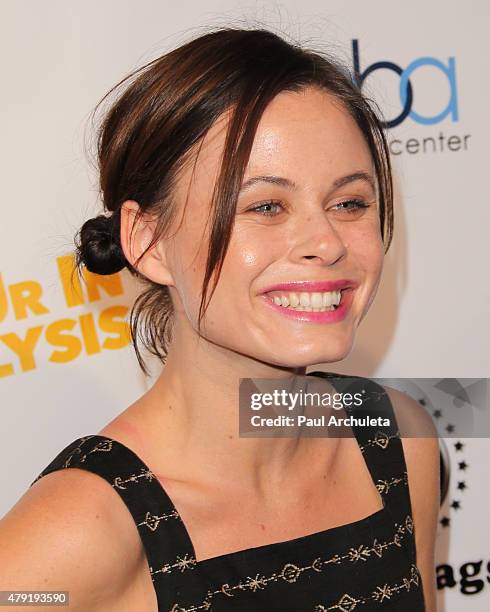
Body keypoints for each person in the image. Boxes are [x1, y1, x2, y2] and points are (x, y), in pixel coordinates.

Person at [0, 26, 439, 611]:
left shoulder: (395, 436)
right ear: (149, 242)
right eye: (264, 206)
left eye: (349, 203)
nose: (326, 242)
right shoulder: (80, 532)